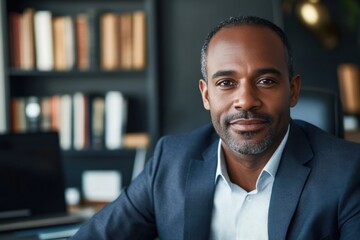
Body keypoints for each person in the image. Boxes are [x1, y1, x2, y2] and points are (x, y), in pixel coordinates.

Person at [71, 15, 360, 239]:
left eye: (266, 81)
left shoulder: (348, 171)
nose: (245, 100)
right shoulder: (170, 161)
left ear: (293, 90)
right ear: (206, 94)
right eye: (225, 83)